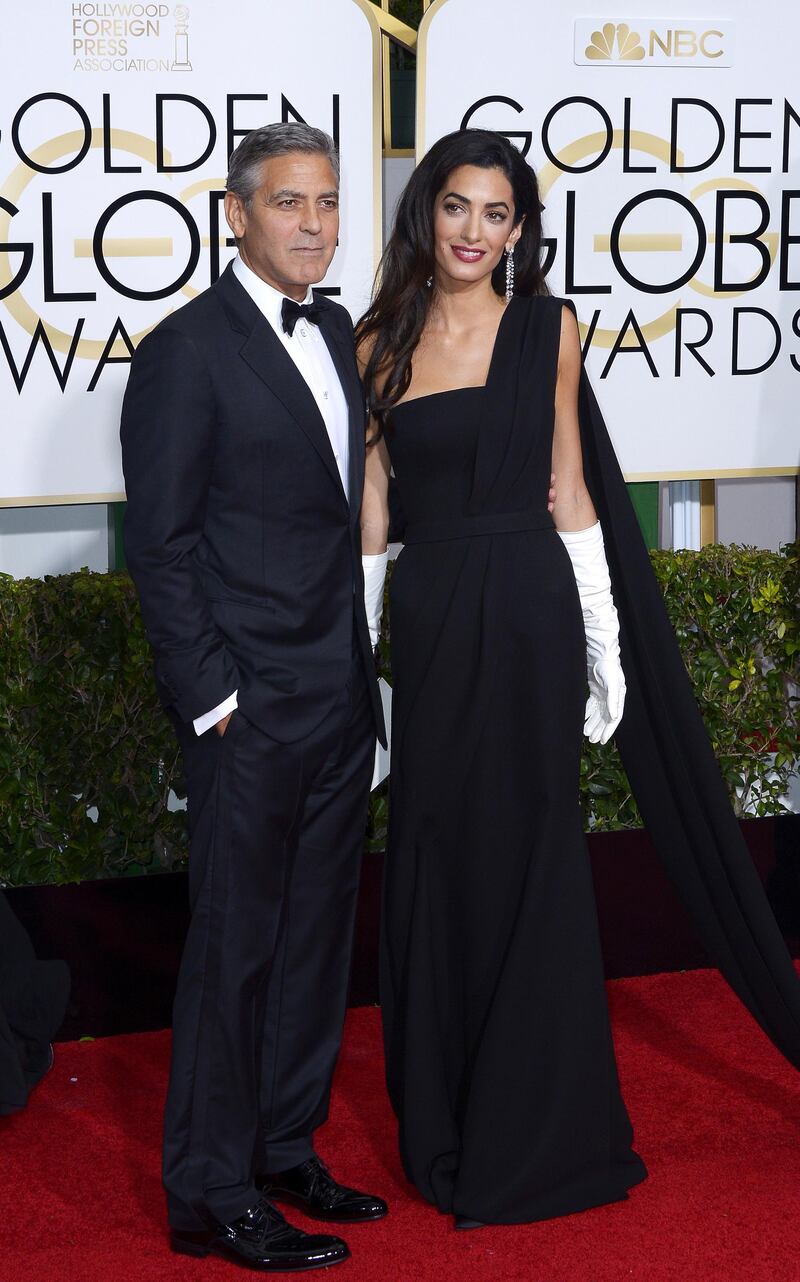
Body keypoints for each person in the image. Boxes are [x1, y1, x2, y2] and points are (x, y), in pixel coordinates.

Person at [356, 128, 800, 1229]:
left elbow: (569, 489)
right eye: (455, 208)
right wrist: (357, 674)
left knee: (531, 855)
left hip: (531, 614)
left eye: (494, 214)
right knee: (434, 855)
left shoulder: (549, 328)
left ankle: (538, 1126)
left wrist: (601, 642)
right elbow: (369, 518)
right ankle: (448, 1114)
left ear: (519, 229)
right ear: (427, 214)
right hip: (432, 612)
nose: (472, 232)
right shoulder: (374, 342)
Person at [120, 123, 390, 1273]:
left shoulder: (334, 327)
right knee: (234, 949)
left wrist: (363, 675)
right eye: (288, 203)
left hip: (336, 694)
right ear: (235, 214)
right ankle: (209, 1191)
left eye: (327, 203)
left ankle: (284, 1145)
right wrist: (213, 698)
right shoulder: (187, 349)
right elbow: (163, 543)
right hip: (249, 708)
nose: (313, 225)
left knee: (315, 941)